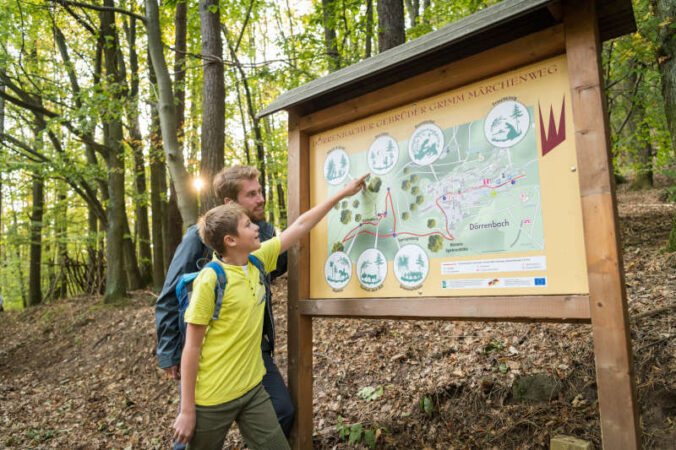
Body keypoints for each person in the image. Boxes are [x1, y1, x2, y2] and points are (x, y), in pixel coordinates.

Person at [173, 174, 368, 448]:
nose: (257, 228)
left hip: (252, 392)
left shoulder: (258, 259)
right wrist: (187, 410)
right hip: (212, 398)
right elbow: (192, 349)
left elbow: (301, 225)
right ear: (230, 240)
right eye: (247, 225)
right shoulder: (211, 279)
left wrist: (343, 193)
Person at [155, 166, 291, 448]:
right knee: (193, 431)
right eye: (251, 194)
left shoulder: (262, 231)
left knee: (282, 409)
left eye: (260, 191)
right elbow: (169, 295)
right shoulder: (198, 237)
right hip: (209, 351)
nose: (261, 199)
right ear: (230, 204)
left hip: (251, 348)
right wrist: (169, 351)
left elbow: (276, 265)